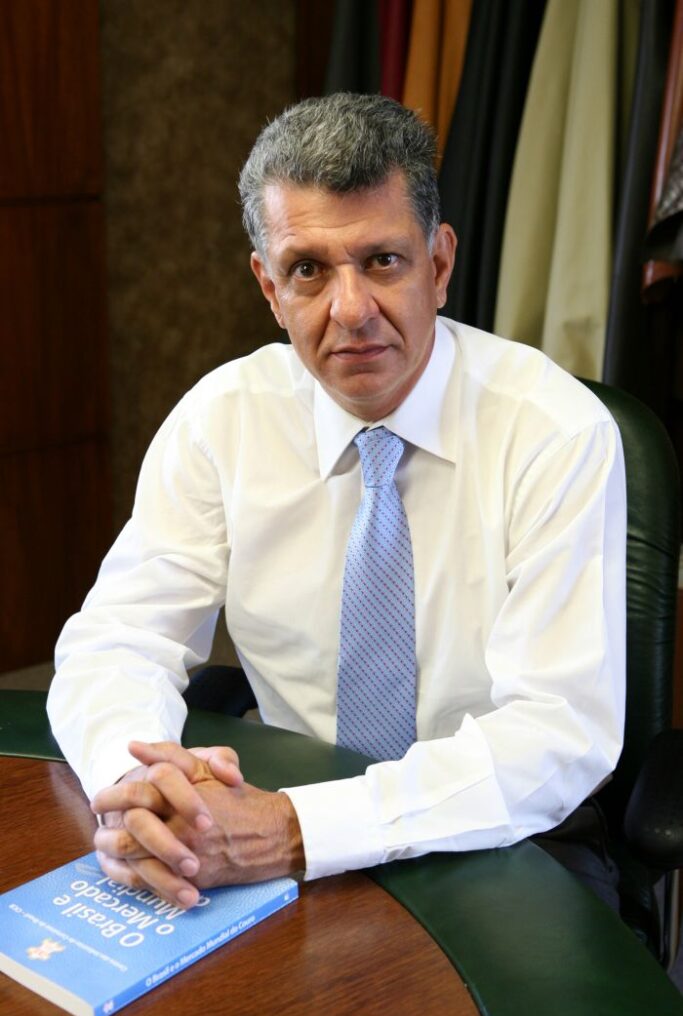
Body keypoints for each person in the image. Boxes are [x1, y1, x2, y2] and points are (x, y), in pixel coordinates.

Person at [47, 93, 626, 912]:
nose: (350, 310)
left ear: (439, 265)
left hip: (501, 832)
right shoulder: (223, 419)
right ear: (268, 286)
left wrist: (295, 831)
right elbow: (118, 640)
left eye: (382, 261)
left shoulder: (552, 431)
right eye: (308, 270)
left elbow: (558, 732)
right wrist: (142, 792)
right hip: (271, 802)